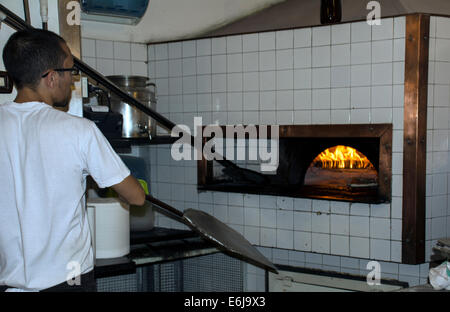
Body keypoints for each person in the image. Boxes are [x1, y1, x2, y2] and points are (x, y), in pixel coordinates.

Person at [0, 29, 145, 292]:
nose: (72, 81)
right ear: (51, 77)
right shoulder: (79, 130)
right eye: (70, 71)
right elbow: (136, 196)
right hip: (67, 282)